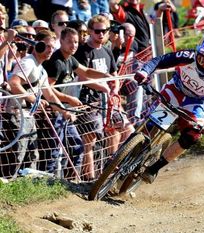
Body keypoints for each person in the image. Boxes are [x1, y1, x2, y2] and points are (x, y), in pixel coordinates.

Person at [133, 32, 204, 183]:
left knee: (193, 136)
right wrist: (144, 71)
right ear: (196, 53)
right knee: (150, 124)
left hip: (194, 103)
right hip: (175, 90)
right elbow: (161, 60)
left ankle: (154, 169)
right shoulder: (187, 56)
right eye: (201, 59)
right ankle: (129, 153)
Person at [0, 30, 76, 178]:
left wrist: (64, 112)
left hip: (29, 116)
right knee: (17, 156)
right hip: (17, 115)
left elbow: (50, 95)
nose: (50, 50)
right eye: (46, 46)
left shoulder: (41, 69)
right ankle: (8, 186)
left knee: (32, 156)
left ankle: (26, 189)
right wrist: (34, 100)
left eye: (52, 47)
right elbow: (14, 83)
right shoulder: (28, 63)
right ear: (37, 45)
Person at [43, 27, 113, 178]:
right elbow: (47, 89)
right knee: (55, 150)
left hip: (66, 111)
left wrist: (106, 75)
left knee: (77, 147)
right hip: (54, 111)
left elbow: (86, 72)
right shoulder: (56, 62)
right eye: (69, 42)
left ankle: (71, 181)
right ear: (60, 41)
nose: (73, 45)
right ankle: (48, 182)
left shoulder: (70, 59)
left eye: (75, 42)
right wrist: (69, 99)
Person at [74, 14, 135, 180]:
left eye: (105, 31)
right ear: (90, 31)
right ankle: (90, 178)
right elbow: (82, 78)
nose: (101, 34)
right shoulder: (83, 52)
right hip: (89, 100)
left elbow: (113, 73)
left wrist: (114, 87)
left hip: (109, 100)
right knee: (90, 141)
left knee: (127, 129)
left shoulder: (107, 50)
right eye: (98, 31)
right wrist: (104, 87)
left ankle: (112, 168)